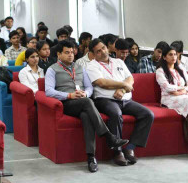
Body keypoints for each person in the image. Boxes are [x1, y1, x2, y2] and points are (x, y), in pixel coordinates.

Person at [46, 41, 129, 172]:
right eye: (66, 53)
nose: (70, 55)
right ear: (58, 54)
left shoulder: (80, 67)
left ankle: (91, 158)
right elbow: (49, 91)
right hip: (67, 103)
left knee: (86, 116)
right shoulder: (52, 69)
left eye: (72, 52)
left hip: (83, 102)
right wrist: (69, 95)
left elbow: (90, 87)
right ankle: (108, 136)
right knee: (88, 102)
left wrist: (86, 93)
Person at [87, 39, 155, 166]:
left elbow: (130, 78)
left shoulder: (118, 61)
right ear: (93, 54)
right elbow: (102, 83)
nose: (103, 52)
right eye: (98, 51)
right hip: (105, 100)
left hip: (125, 99)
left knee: (148, 114)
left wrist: (122, 90)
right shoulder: (92, 66)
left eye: (103, 48)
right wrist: (123, 85)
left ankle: (130, 148)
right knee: (116, 113)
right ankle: (117, 152)